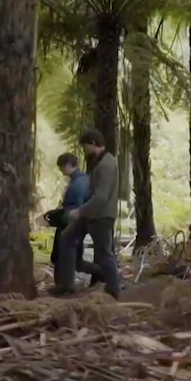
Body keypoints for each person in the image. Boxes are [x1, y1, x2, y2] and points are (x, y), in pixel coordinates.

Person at [54, 128, 122, 299]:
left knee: (105, 253)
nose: (84, 151)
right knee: (67, 237)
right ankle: (66, 285)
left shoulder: (107, 164)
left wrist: (80, 211)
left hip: (100, 216)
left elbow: (101, 196)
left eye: (85, 147)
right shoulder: (98, 162)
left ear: (93, 144)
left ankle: (115, 290)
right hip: (90, 215)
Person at [44, 153, 101, 290]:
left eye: (61, 167)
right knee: (75, 261)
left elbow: (77, 207)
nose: (61, 171)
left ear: (69, 165)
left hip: (74, 224)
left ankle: (66, 286)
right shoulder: (80, 180)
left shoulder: (79, 183)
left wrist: (62, 217)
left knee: (67, 254)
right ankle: (108, 274)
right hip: (75, 222)